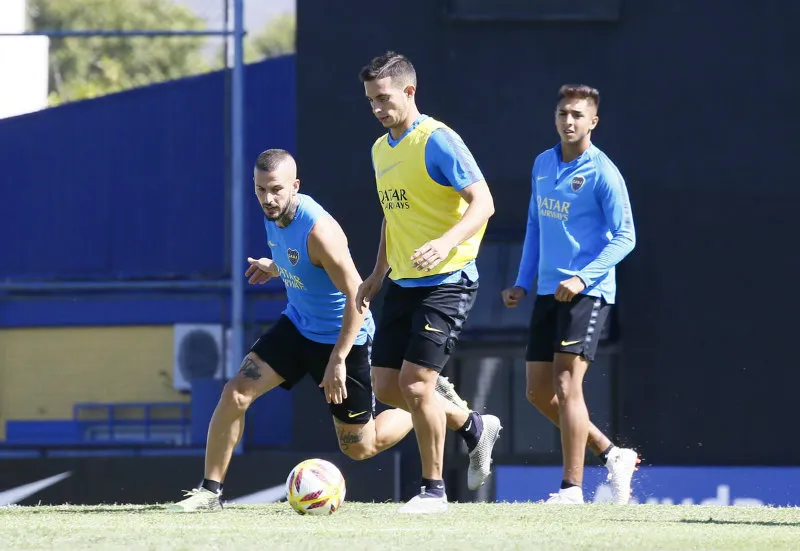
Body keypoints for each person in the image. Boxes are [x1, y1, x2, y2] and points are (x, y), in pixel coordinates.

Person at [168, 149, 469, 512]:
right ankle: (209, 493)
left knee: (360, 447)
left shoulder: (320, 231)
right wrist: (275, 265)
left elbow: (359, 296)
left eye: (277, 190)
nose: (268, 198)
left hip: (345, 337)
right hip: (297, 326)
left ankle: (423, 405)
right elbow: (303, 264)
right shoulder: (273, 215)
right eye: (261, 189)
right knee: (236, 393)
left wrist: (338, 360)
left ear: (295, 186)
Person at [356, 51, 502, 514]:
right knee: (385, 386)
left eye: (384, 97)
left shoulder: (437, 140)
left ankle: (434, 491)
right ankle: (474, 427)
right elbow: (392, 216)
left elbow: (484, 203)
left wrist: (446, 242)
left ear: (409, 91)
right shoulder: (381, 150)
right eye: (371, 101)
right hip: (403, 280)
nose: (378, 108)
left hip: (448, 278)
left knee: (418, 387)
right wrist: (378, 272)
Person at [501, 85, 640, 505]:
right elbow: (535, 228)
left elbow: (626, 237)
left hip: (588, 293)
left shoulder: (603, 172)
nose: (569, 121)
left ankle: (572, 488)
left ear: (593, 122)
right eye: (563, 113)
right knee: (537, 393)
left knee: (566, 384)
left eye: (578, 115)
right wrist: (522, 282)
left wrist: (583, 278)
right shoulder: (543, 163)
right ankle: (612, 453)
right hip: (547, 292)